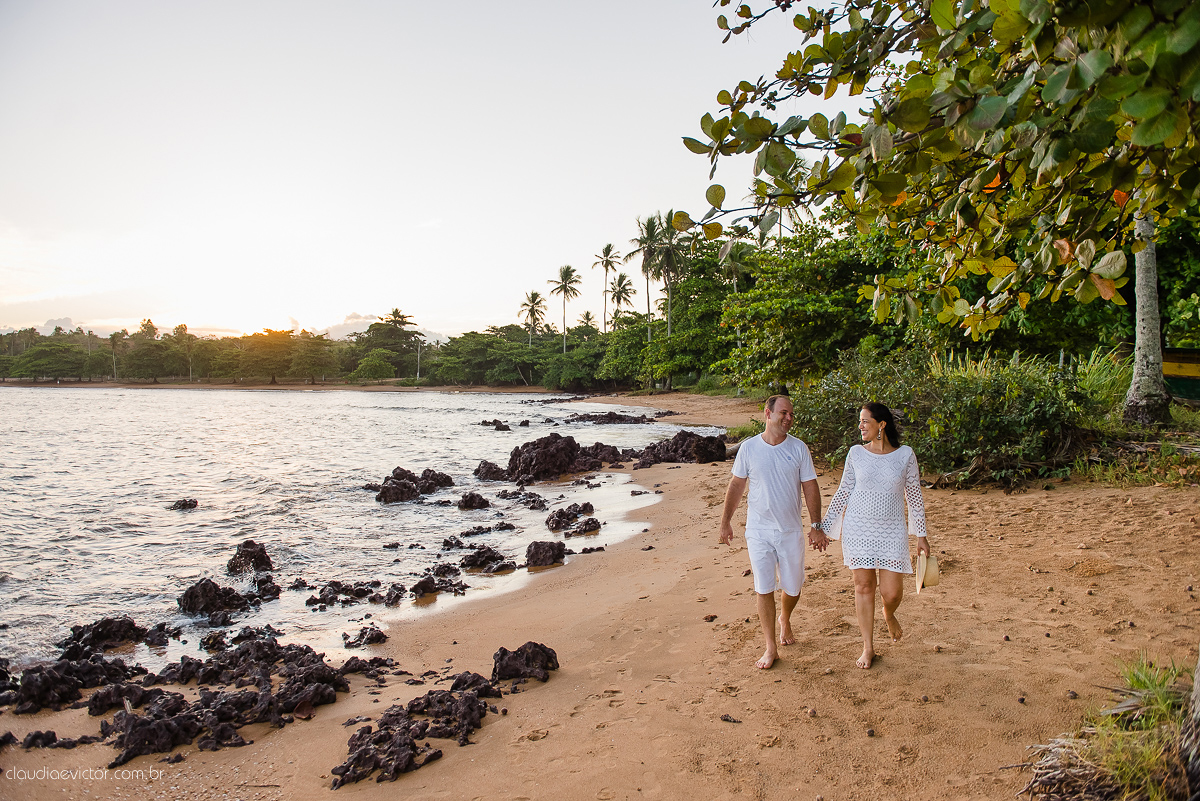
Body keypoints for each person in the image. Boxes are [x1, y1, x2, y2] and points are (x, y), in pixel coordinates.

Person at [719, 395, 827, 670]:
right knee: (763, 587)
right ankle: (770, 647)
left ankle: (785, 618)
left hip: (790, 530)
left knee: (793, 587)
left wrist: (816, 526)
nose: (789, 418)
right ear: (768, 413)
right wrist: (725, 522)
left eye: (792, 414)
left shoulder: (799, 448)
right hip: (758, 531)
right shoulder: (749, 448)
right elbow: (736, 486)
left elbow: (810, 487)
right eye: (784, 413)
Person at [820, 402, 929, 670]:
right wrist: (824, 527)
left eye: (865, 421)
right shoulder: (856, 453)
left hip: (892, 529)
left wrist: (921, 535)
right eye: (860, 421)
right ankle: (868, 647)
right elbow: (844, 491)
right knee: (864, 587)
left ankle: (888, 613)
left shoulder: (905, 455)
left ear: (882, 424)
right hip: (858, 528)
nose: (860, 426)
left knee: (892, 593)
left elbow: (914, 497)